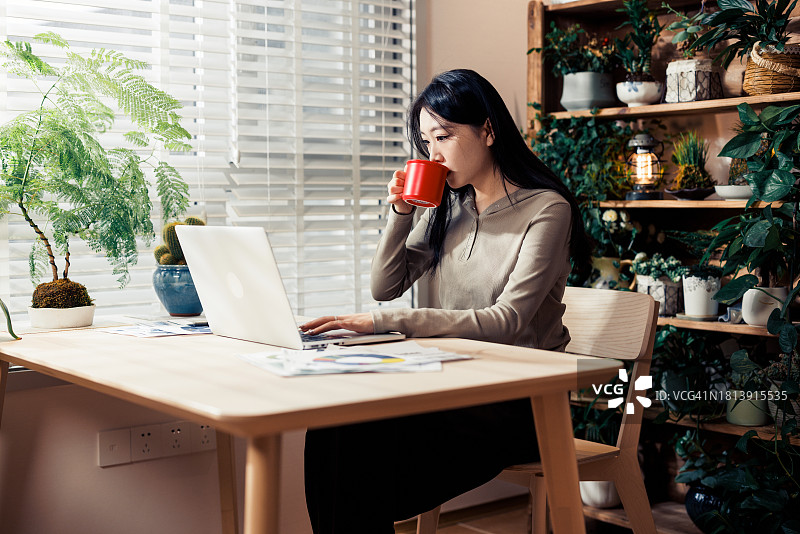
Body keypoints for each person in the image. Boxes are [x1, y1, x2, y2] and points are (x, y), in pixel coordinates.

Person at [299, 68, 592, 534]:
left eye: (443, 136)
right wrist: (401, 212)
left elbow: (507, 320)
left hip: (521, 404)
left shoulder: (547, 209)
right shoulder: (452, 208)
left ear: (488, 131)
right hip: (452, 385)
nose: (433, 154)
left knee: (361, 458)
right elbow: (385, 284)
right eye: (425, 142)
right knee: (334, 423)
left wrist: (383, 323)